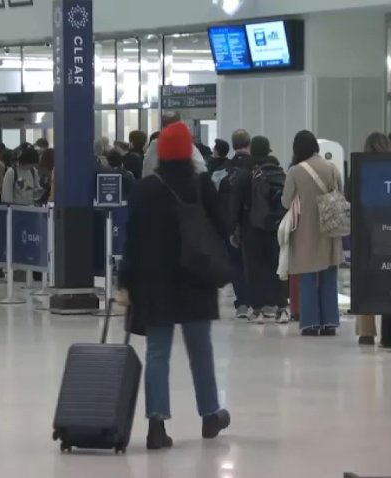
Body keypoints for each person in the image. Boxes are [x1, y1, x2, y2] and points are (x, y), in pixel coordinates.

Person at [117, 121, 230, 451]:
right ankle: (210, 414)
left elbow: (132, 241)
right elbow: (222, 227)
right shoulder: (202, 185)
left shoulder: (144, 189)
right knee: (201, 351)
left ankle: (156, 425)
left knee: (157, 353)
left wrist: (125, 282)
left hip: (155, 285)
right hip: (195, 281)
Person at [281, 130, 344, 336]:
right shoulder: (332, 168)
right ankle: (330, 322)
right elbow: (340, 194)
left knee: (307, 275)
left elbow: (285, 200)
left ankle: (310, 323)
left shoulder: (295, 171)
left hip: (305, 229)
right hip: (330, 227)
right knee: (329, 274)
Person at [228, 135, 289, 324]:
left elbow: (235, 203)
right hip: (276, 227)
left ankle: (257, 310)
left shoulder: (245, 173)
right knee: (278, 267)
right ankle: (281, 308)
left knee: (254, 268)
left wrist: (232, 229)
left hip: (251, 227)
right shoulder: (279, 172)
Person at [355, 132, 391, 346]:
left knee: (366, 280)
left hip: (365, 231)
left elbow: (351, 199)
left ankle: (366, 332)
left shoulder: (360, 168)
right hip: (389, 229)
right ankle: (389, 333)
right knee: (390, 277)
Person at [213, 129, 251, 319]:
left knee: (236, 263)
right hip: (254, 223)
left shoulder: (222, 170)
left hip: (229, 224)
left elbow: (213, 196)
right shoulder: (256, 166)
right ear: (249, 143)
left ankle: (242, 302)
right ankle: (258, 301)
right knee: (255, 262)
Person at [142, 112, 208, 177]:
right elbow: (202, 170)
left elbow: (146, 171)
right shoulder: (186, 146)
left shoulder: (153, 146)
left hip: (154, 186)